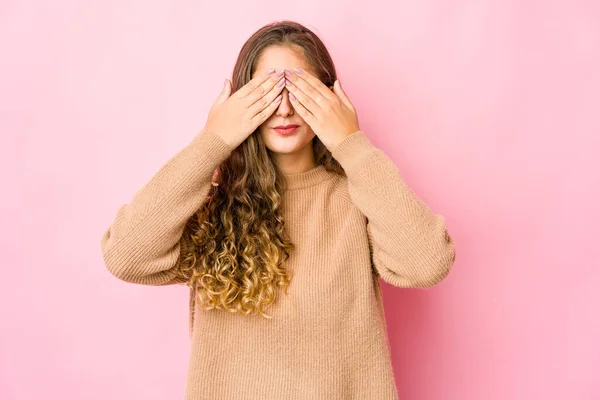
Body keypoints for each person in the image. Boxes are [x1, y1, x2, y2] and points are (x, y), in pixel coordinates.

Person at [100, 20, 456, 400]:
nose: (284, 109)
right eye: (268, 91)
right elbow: (126, 256)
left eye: (300, 91)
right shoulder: (213, 204)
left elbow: (427, 263)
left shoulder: (359, 199)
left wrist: (351, 143)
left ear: (329, 98)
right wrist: (212, 142)